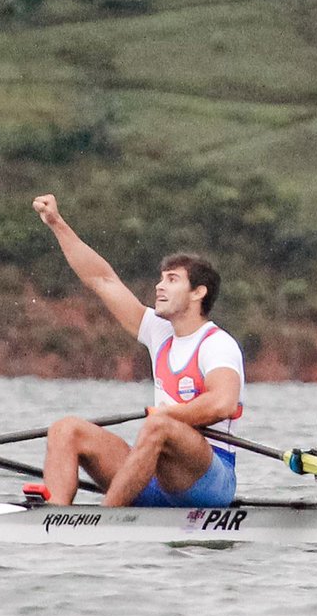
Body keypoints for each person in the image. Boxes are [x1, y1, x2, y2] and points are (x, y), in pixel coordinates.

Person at [31, 194, 245, 508]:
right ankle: (55, 515)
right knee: (66, 429)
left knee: (159, 425)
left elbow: (223, 403)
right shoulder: (159, 332)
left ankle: (105, 517)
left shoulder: (217, 343)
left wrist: (167, 415)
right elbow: (102, 280)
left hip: (208, 481)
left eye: (172, 280)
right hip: (155, 473)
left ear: (199, 292)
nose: (159, 286)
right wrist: (57, 224)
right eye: (160, 279)